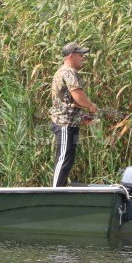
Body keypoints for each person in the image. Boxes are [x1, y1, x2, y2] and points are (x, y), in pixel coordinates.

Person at [49, 42, 99, 187]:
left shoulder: (64, 72)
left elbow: (66, 101)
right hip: (64, 124)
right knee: (64, 158)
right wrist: (91, 106)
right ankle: (55, 193)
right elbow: (78, 96)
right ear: (71, 56)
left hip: (70, 123)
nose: (83, 58)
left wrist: (81, 117)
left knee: (68, 158)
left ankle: (60, 191)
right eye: (80, 55)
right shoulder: (68, 72)